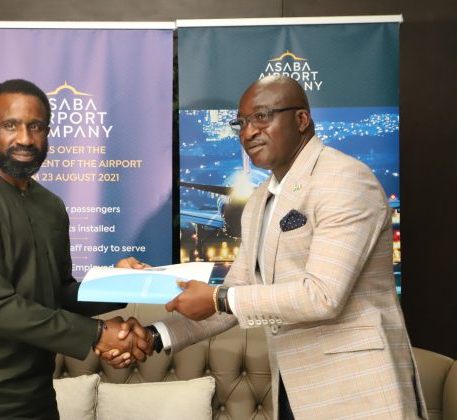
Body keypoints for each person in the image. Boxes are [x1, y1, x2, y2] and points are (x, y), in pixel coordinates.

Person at [105, 75, 428, 419]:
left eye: (261, 117)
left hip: (358, 392)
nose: (247, 132)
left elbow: (322, 295)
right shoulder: (261, 199)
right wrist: (154, 336)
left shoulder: (344, 179)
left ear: (301, 119)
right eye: (241, 122)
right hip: (294, 391)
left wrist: (217, 297)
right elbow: (237, 291)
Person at [0, 79, 148, 420]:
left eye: (35, 127)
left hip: (35, 393)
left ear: (47, 133)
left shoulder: (50, 205)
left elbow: (56, 292)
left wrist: (119, 283)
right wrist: (98, 334)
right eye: (11, 126)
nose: (25, 139)